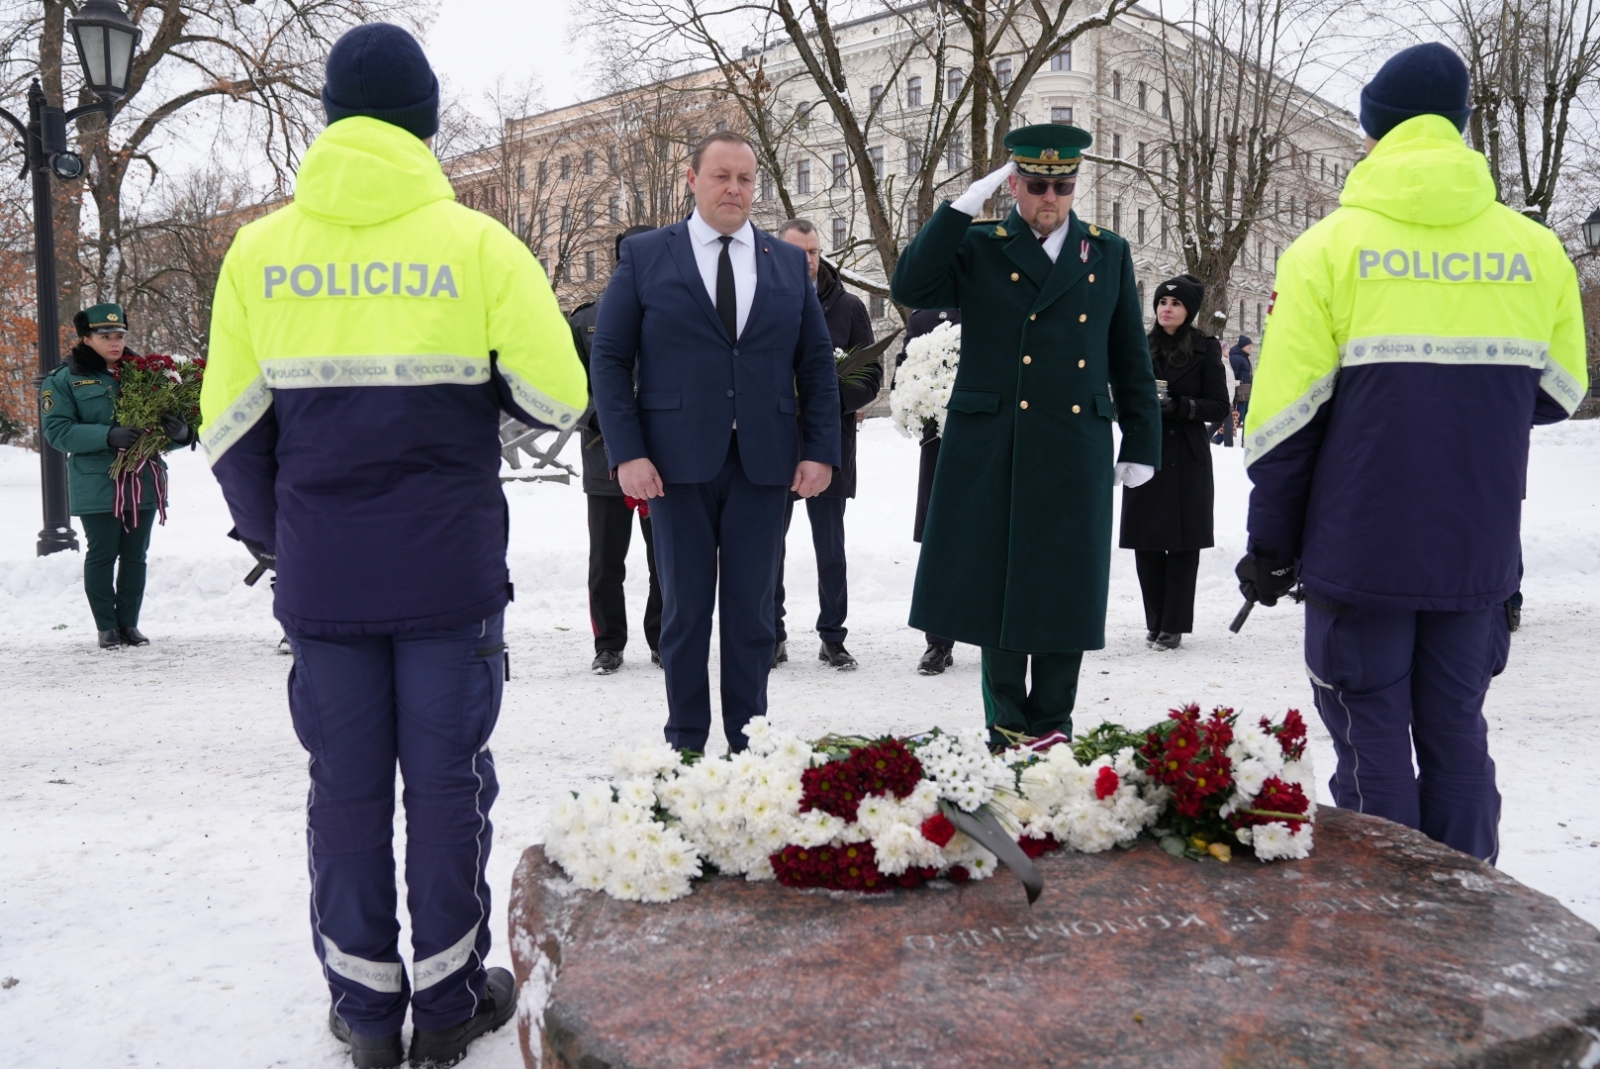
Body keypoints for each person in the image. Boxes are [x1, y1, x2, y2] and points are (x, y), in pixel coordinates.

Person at [199, 25, 588, 1069]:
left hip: (324, 572)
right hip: (448, 567)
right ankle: (450, 999)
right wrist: (474, 412)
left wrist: (290, 539)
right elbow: (560, 391)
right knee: (450, 785)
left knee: (346, 787)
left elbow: (229, 430)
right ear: (425, 121)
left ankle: (367, 1015)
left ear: (329, 116)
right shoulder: (477, 245)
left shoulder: (258, 251)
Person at [1238, 43, 1586, 864]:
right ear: (1461, 126)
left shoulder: (1327, 249)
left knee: (1371, 742)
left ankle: (1387, 940)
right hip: (1476, 548)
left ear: (1374, 132)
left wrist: (1271, 546)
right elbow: (1558, 391)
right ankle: (1473, 915)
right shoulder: (1536, 253)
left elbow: (1285, 424)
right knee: (1458, 733)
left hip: (1361, 549)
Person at [891, 124, 1162, 748]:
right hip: (996, 442)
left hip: (1075, 444)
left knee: (1066, 586)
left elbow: (1129, 358)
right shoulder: (982, 246)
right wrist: (959, 209)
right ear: (1014, 185)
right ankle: (1007, 725)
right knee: (999, 585)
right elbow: (911, 285)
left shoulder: (1108, 253)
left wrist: (1143, 441)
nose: (1051, 197)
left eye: (1063, 186)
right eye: (1037, 184)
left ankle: (1056, 725)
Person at [591, 131, 839, 754]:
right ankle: (687, 745)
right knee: (684, 614)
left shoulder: (785, 263)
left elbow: (815, 365)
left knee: (753, 617)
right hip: (673, 466)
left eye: (746, 180)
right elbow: (611, 358)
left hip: (765, 464)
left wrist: (819, 449)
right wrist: (627, 451)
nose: (735, 189)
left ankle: (748, 745)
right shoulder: (648, 255)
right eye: (722, 176)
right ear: (691, 178)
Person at [40, 303, 192, 650]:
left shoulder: (147, 375)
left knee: (136, 554)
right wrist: (107, 436)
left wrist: (182, 434)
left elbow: (159, 428)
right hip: (96, 479)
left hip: (142, 477)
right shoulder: (64, 379)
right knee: (103, 552)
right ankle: (107, 627)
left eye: (119, 335)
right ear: (85, 338)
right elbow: (58, 431)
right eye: (105, 336)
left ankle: (129, 624)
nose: (114, 342)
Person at [771, 217, 882, 670]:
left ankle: (833, 636)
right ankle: (771, 633)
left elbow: (872, 376)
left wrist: (824, 395)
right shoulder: (762, 302)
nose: (809, 261)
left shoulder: (850, 308)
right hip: (773, 447)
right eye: (799, 253)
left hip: (830, 443)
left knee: (831, 549)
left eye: (814, 251)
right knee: (767, 548)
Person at [569, 225, 663, 675]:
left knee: (666, 556)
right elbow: (568, 384)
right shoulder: (586, 320)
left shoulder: (674, 314)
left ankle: (664, 637)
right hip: (603, 455)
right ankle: (608, 643)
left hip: (664, 458)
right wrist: (605, 421)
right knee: (607, 561)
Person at [1119, 275, 1230, 650]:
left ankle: (1174, 624)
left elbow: (1219, 405)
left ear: (1189, 311)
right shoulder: (1138, 345)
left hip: (1186, 450)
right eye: (1162, 302)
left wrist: (1181, 406)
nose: (1167, 308)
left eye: (1176, 304)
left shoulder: (1205, 348)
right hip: (1145, 449)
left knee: (1183, 543)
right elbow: (1120, 393)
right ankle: (1155, 621)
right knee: (1146, 540)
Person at [902, 308, 961, 675]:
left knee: (995, 537)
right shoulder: (923, 319)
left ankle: (1000, 636)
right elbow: (905, 376)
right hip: (939, 443)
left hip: (995, 437)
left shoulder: (1000, 299)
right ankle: (938, 642)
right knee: (942, 541)